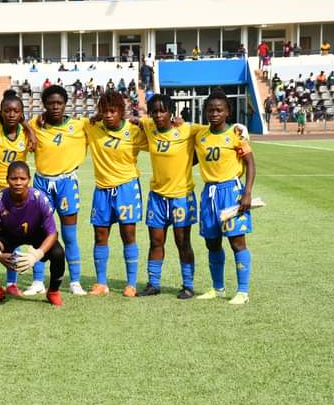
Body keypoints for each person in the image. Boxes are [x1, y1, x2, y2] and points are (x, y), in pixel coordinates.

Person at [137, 94, 202, 299]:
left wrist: (239, 129)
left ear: (171, 112)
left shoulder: (187, 129)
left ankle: (188, 285)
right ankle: (153, 284)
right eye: (154, 111)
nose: (158, 115)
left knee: (182, 242)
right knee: (156, 242)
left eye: (162, 111)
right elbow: (133, 121)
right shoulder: (149, 127)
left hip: (181, 196)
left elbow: (211, 132)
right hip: (157, 197)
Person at [194, 90, 256, 305]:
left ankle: (243, 291)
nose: (214, 114)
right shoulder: (200, 135)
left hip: (231, 192)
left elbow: (250, 163)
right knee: (212, 243)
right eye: (210, 110)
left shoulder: (236, 134)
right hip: (209, 194)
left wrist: (247, 193)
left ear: (228, 112)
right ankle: (218, 288)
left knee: (237, 242)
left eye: (219, 110)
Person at [25, 85, 87, 297]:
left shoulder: (79, 125)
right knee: (39, 233)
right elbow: (20, 121)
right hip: (42, 183)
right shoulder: (36, 123)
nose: (55, 107)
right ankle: (37, 281)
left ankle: (75, 281)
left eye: (59, 103)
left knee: (69, 235)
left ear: (65, 104)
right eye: (50, 103)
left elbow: (101, 124)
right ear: (44, 105)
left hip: (66, 183)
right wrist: (30, 128)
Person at [84, 90, 146, 297]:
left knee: (128, 234)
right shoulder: (92, 127)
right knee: (100, 235)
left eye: (113, 111)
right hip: (102, 189)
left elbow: (158, 139)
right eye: (105, 111)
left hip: (126, 188)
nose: (109, 115)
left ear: (121, 111)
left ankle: (131, 284)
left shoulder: (134, 131)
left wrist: (146, 123)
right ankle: (101, 283)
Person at [0, 161, 65, 306]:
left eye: (22, 179)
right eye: (14, 178)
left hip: (35, 233)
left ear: (29, 180)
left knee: (58, 252)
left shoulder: (39, 199)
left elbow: (52, 233)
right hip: (9, 235)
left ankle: (53, 292)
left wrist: (37, 255)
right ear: (7, 180)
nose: (18, 182)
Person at [0, 90, 32, 297]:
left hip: (15, 195)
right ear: (0, 112)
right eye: (7, 111)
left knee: (15, 237)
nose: (11, 114)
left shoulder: (26, 133)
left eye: (16, 111)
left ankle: (12, 283)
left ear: (21, 113)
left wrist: (29, 128)